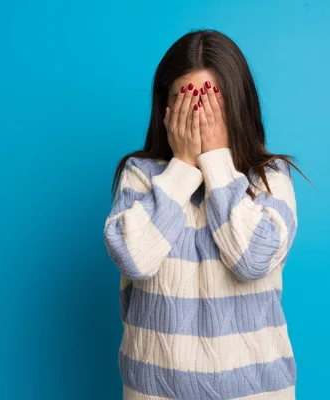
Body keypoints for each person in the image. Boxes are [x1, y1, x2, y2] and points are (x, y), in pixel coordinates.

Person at [104, 28, 306, 400]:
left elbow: (252, 260)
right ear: (165, 109)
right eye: (187, 102)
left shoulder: (271, 177)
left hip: (256, 391)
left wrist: (215, 162)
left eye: (211, 102)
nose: (199, 117)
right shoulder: (140, 176)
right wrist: (182, 165)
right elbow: (134, 258)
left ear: (237, 104)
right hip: (154, 390)